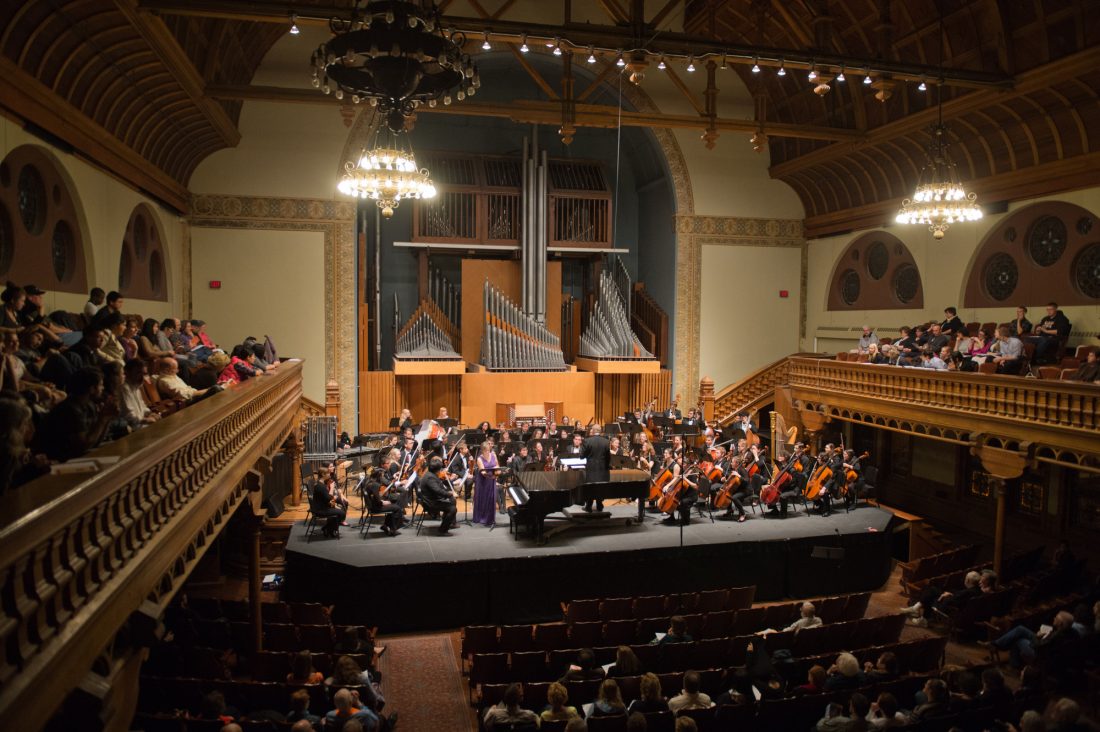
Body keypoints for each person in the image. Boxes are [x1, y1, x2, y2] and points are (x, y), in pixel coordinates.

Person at [36, 366, 118, 462]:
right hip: (60, 461)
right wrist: (102, 419)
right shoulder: (70, 409)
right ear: (92, 389)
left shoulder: (89, 405)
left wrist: (107, 418)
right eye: (101, 385)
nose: (103, 388)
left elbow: (95, 441)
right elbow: (82, 446)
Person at [985, 609, 1078, 668]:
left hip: (1041, 656)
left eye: (1056, 619)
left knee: (1019, 640)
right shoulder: (1072, 632)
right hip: (1050, 651)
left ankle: (1010, 659)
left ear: (1061, 624)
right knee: (1020, 629)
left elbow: (1037, 646)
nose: (1054, 619)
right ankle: (996, 644)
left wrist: (1038, 637)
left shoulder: (1057, 635)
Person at [119, 359, 160, 428]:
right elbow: (129, 416)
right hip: (133, 430)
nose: (142, 377)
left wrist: (150, 413)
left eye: (144, 374)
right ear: (127, 373)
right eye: (138, 373)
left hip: (142, 426)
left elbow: (142, 406)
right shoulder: (124, 388)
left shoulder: (136, 386)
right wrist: (147, 420)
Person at [363, 468, 404, 536]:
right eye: (381, 476)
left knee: (392, 506)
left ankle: (386, 526)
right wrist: (383, 502)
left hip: (371, 505)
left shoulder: (369, 482)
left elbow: (375, 498)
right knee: (397, 508)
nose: (382, 478)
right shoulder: (375, 485)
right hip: (375, 507)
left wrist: (382, 501)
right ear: (379, 476)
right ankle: (393, 529)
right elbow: (377, 500)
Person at [581, 423, 610, 512]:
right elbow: (608, 457)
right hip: (602, 468)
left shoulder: (587, 441)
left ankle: (589, 506)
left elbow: (582, 456)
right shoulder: (606, 441)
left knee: (591, 487)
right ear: (600, 431)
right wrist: (606, 467)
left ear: (593, 431)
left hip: (591, 468)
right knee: (600, 486)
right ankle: (599, 505)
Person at [310, 471, 347, 538]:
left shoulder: (321, 484)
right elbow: (328, 498)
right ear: (323, 474)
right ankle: (328, 528)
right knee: (342, 513)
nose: (329, 474)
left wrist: (334, 505)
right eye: (328, 473)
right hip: (321, 510)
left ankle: (330, 529)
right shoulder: (320, 486)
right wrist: (332, 489)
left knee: (340, 510)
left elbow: (325, 499)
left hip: (322, 506)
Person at [472, 441, 498, 525]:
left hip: (492, 479)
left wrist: (496, 474)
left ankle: (490, 517)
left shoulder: (493, 455)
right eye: (486, 450)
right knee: (483, 498)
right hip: (483, 481)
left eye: (488, 450)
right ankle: (481, 517)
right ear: (482, 451)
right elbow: (483, 472)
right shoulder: (479, 459)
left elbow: (497, 466)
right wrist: (491, 475)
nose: (488, 452)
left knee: (491, 498)